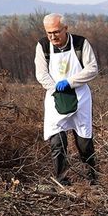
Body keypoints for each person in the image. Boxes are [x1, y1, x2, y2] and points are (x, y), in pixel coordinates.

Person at [35, 13, 99, 185]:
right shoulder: (43, 46)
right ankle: (61, 180)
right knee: (57, 141)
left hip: (80, 96)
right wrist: (55, 88)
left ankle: (92, 179)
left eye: (56, 32)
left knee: (84, 141)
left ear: (65, 28)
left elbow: (92, 68)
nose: (53, 36)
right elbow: (41, 74)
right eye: (49, 33)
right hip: (55, 97)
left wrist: (70, 82)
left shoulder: (80, 43)